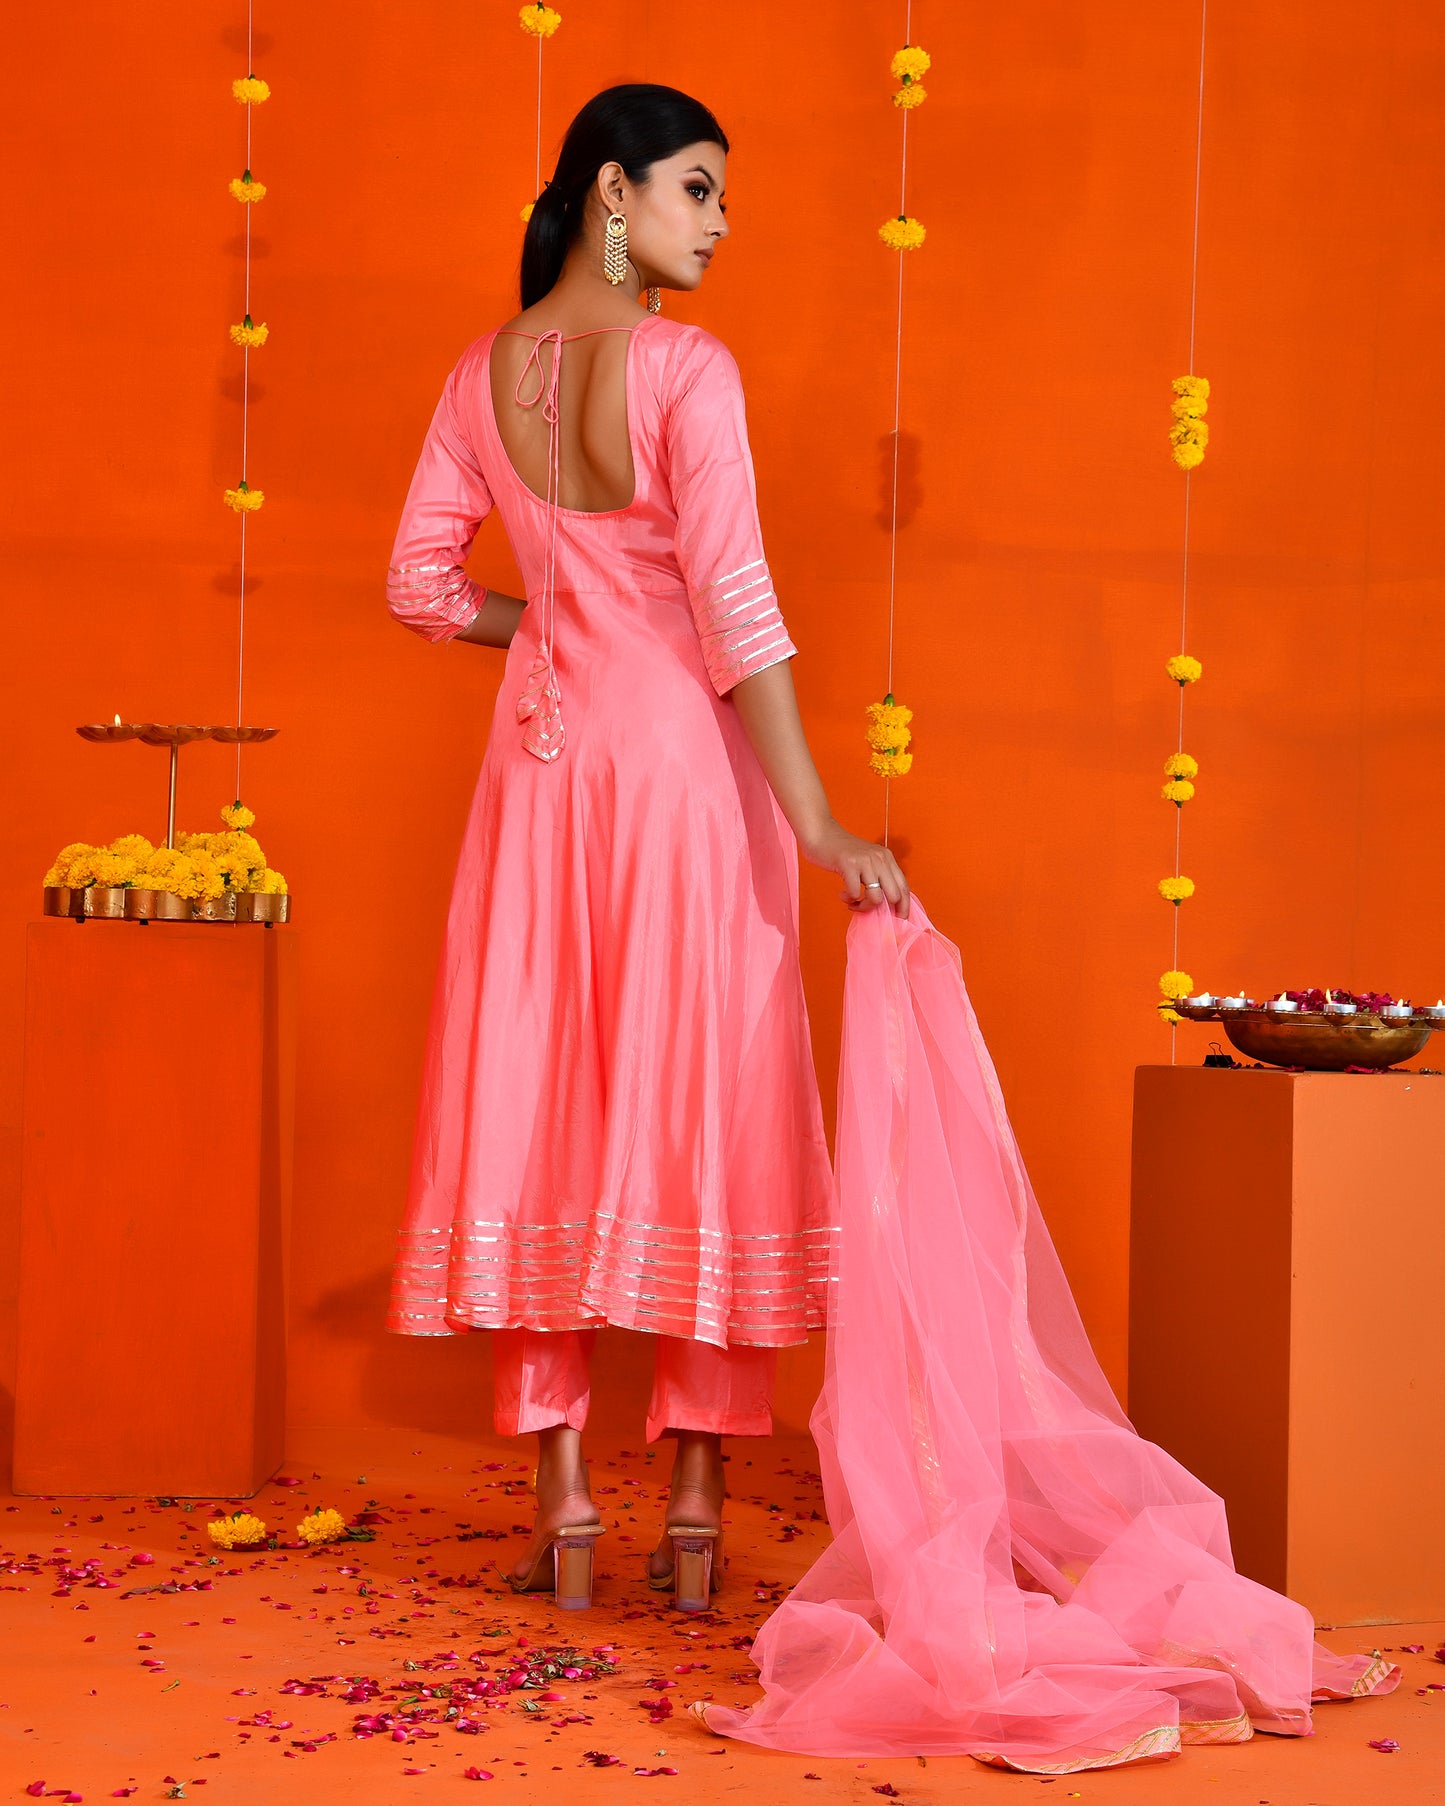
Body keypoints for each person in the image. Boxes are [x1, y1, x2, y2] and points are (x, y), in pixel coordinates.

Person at [383, 82, 908, 1612]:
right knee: (703, 1094)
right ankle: (692, 1501)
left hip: (536, 772)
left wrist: (555, 619)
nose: (720, 224)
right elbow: (735, 607)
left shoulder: (479, 373)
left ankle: (562, 1499)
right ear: (613, 193)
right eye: (697, 189)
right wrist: (816, 818)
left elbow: (420, 585)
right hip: (679, 774)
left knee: (535, 1086)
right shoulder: (686, 368)